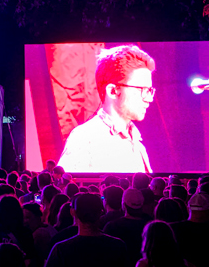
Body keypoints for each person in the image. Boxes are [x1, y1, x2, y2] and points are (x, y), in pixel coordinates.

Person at [57, 44, 155, 174]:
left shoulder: (137, 142)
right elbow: (67, 189)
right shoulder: (85, 138)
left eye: (149, 90)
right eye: (142, 90)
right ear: (113, 91)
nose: (149, 99)